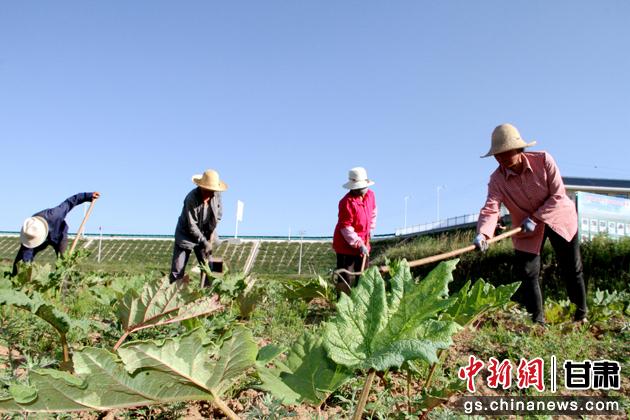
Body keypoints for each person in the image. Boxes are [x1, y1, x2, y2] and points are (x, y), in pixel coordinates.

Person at [473, 123, 588, 325]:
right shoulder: (496, 180)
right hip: (525, 228)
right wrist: (483, 234)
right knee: (528, 272)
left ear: (519, 150)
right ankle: (538, 322)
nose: (501, 159)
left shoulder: (543, 160)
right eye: (497, 155)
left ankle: (581, 315)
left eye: (505, 153)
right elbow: (491, 208)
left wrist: (535, 218)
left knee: (572, 267)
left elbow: (558, 195)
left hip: (558, 217)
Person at [12, 192, 101, 276]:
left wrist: (88, 196)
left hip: (59, 235)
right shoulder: (30, 230)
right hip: (39, 240)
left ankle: (64, 287)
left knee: (64, 261)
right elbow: (26, 257)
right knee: (20, 262)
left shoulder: (56, 214)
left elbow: (70, 201)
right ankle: (16, 282)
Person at [169, 169, 226, 283]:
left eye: (213, 190)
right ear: (201, 187)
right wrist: (204, 241)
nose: (211, 192)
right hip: (186, 235)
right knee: (178, 270)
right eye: (208, 189)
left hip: (206, 232)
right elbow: (192, 226)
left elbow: (219, 214)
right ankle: (174, 293)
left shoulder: (216, 195)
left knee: (212, 269)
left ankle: (210, 295)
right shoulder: (191, 198)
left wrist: (212, 232)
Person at [332, 167, 377, 294]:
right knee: (346, 277)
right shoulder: (346, 203)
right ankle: (343, 302)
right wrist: (358, 243)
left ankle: (362, 302)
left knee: (364, 275)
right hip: (346, 245)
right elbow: (346, 228)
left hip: (364, 241)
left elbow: (373, 212)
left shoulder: (371, 196)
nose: (364, 189)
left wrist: (370, 229)